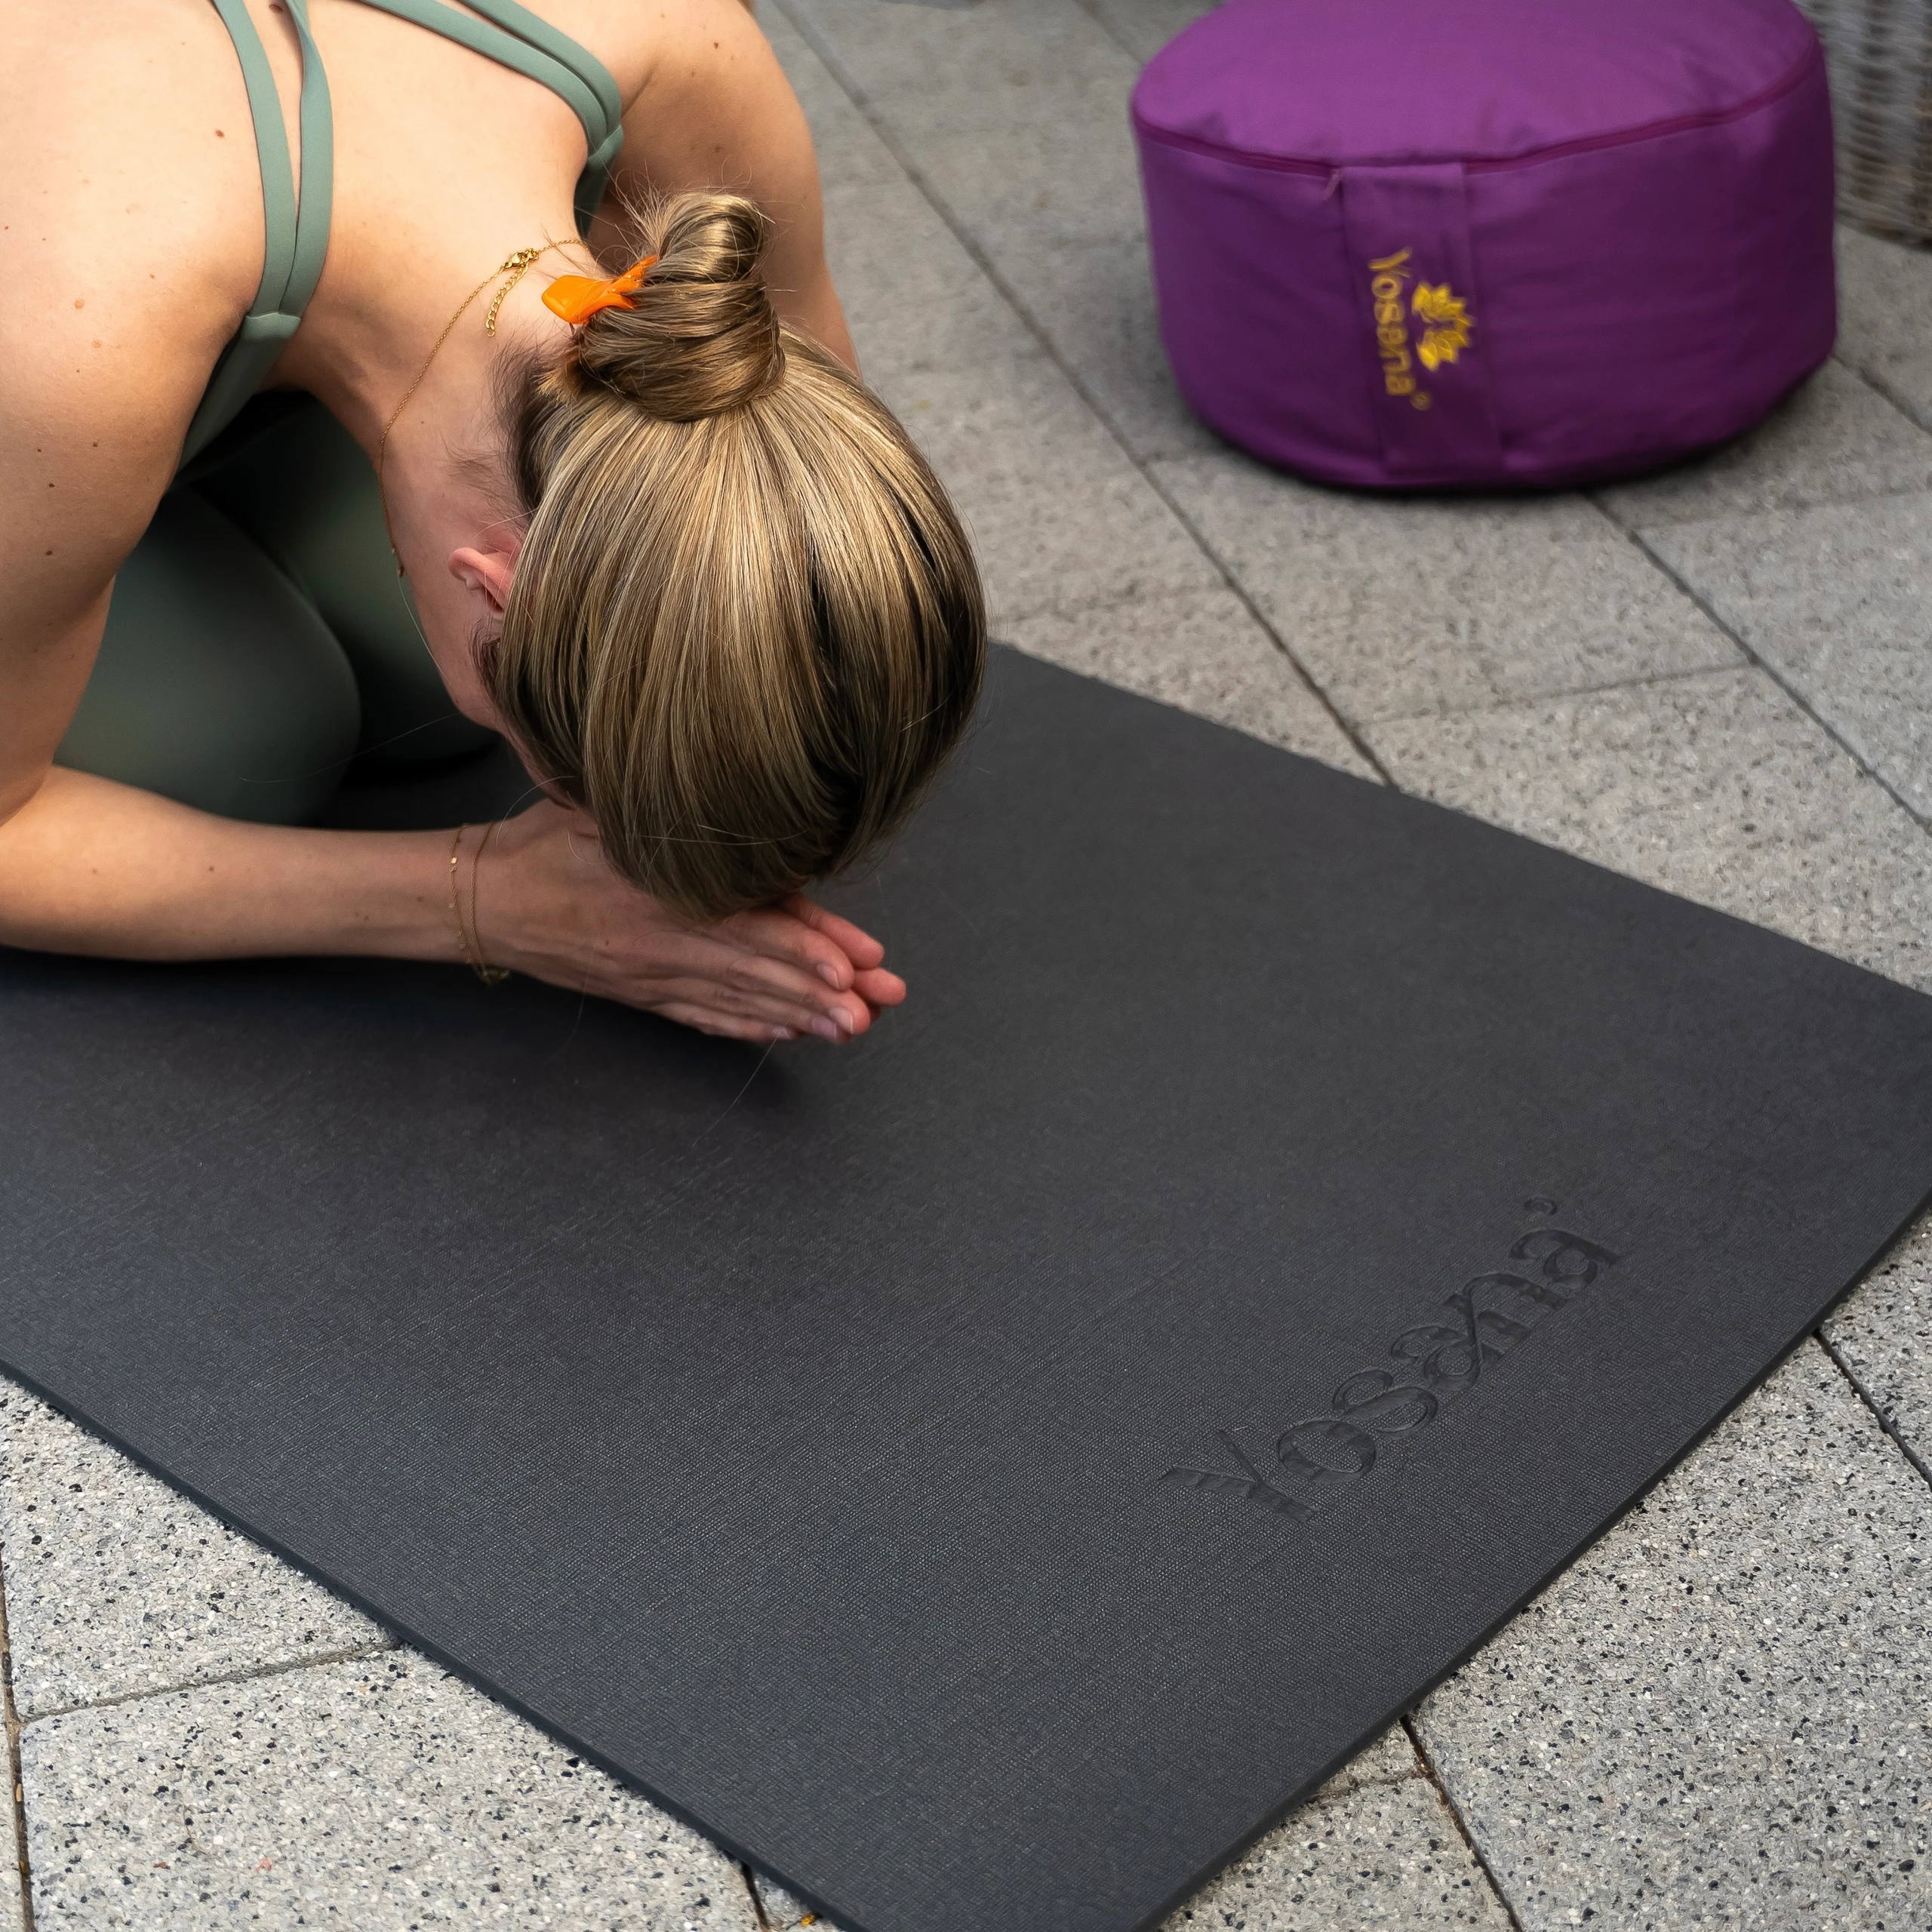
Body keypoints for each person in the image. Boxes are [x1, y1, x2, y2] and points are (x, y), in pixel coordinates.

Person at [0, 0, 985, 1046]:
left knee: (421, 666)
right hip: (65, 338)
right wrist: (482, 901)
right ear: (495, 589)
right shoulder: (81, 330)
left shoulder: (678, 44)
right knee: (240, 737)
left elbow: (779, 507)